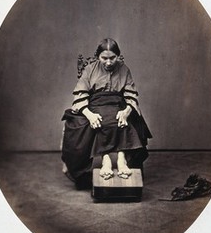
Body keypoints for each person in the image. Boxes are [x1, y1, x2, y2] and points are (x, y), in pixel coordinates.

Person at [61, 38, 152, 189]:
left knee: (123, 119)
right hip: (95, 104)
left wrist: (127, 111)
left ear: (118, 56)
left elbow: (131, 94)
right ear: (98, 57)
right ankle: (108, 159)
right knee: (100, 120)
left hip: (119, 104)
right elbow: (80, 94)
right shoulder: (90, 69)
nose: (109, 62)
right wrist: (89, 115)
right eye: (104, 58)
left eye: (112, 58)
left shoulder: (124, 69)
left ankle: (120, 159)